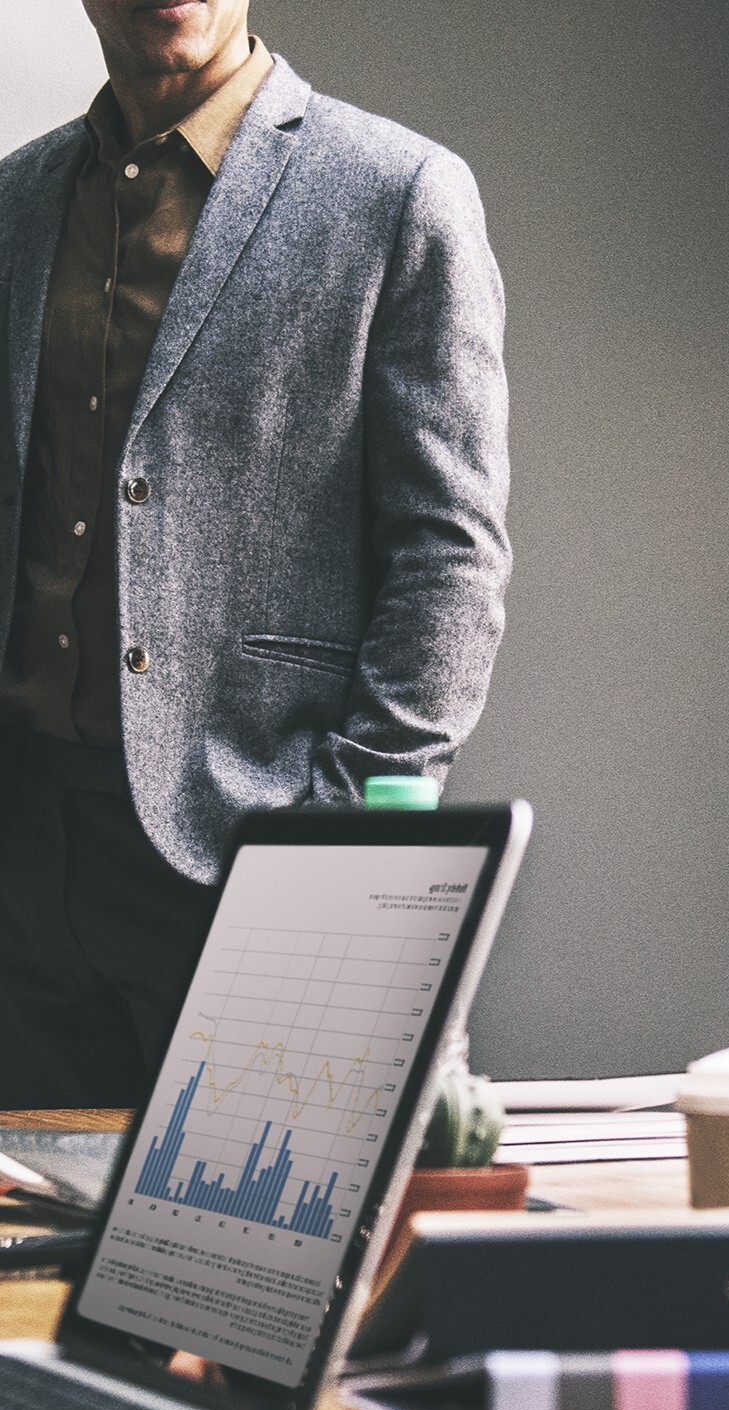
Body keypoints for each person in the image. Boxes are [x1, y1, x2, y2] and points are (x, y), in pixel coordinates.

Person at [0, 0, 510, 1105]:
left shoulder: (396, 193)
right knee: (24, 1270)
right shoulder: (16, 205)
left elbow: (450, 554)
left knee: (245, 1259)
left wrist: (346, 824)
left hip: (254, 846)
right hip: (26, 864)